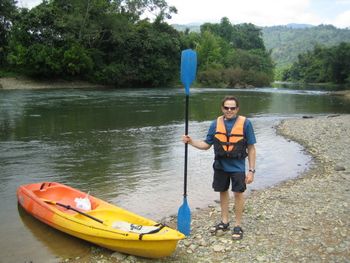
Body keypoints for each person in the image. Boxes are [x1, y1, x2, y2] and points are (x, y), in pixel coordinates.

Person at [182, 95, 256, 240]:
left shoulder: (246, 124)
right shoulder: (215, 124)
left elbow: (251, 148)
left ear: (237, 109)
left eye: (232, 108)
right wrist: (191, 141)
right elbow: (205, 145)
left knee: (238, 194)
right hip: (220, 165)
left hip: (237, 166)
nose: (229, 110)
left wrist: (251, 171)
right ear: (222, 108)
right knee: (222, 191)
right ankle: (224, 221)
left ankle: (238, 225)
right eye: (226, 107)